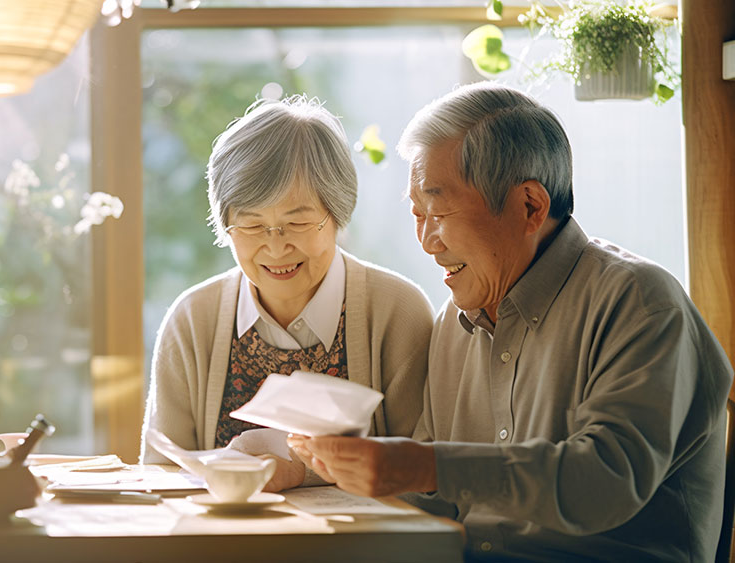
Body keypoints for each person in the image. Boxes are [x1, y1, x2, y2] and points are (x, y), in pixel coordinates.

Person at [289, 82, 733, 560]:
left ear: (530, 206)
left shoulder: (639, 302)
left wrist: (426, 467)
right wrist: (341, 466)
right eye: (417, 215)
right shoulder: (455, 322)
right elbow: (435, 498)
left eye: (438, 212)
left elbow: (605, 481)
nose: (426, 241)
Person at [140, 95, 435, 492]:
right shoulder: (193, 320)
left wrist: (298, 473)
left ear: (338, 214)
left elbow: (423, 483)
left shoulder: (397, 312)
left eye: (297, 223)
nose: (276, 248)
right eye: (253, 225)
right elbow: (161, 476)